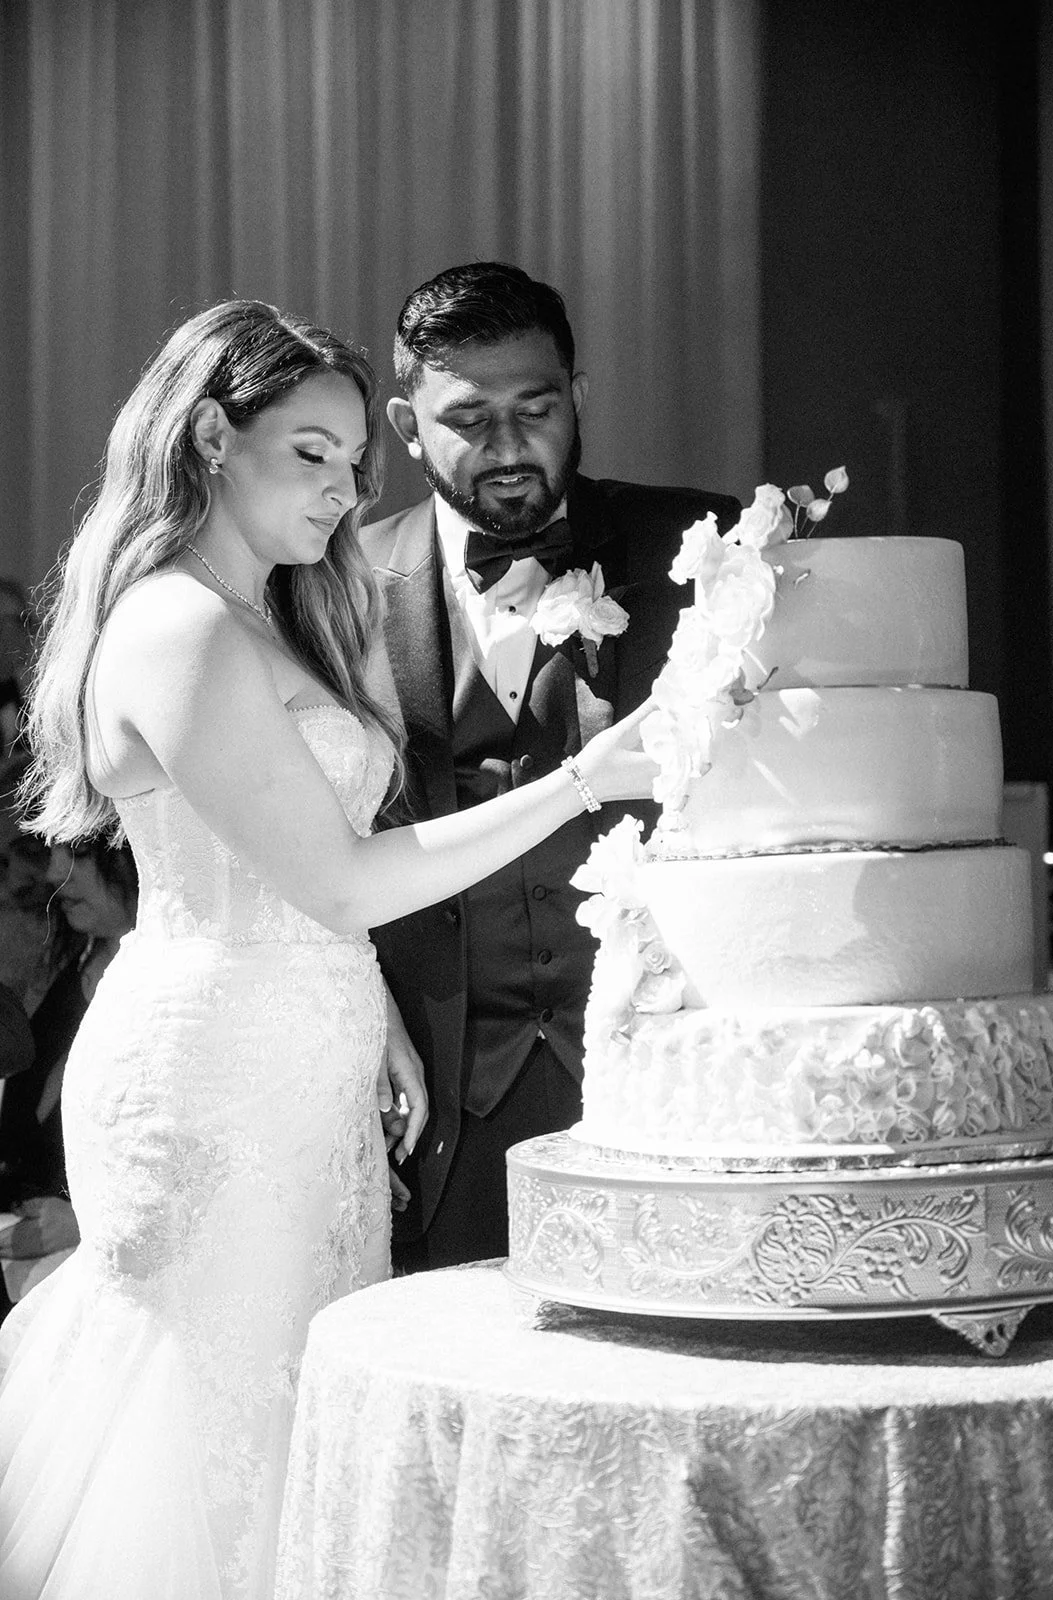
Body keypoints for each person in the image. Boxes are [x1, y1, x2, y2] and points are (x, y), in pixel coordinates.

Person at [0, 298, 655, 1600]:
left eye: (355, 458)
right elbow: (344, 882)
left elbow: (302, 881)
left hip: (304, 1055)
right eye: (309, 452)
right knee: (216, 1409)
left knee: (304, 1382)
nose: (345, 487)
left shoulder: (270, 616)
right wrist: (583, 781)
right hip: (214, 1082)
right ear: (205, 440)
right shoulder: (179, 625)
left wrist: (377, 1017)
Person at [361, 261, 741, 1270]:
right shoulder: (335, 585)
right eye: (468, 417)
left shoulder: (701, 547)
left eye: (535, 407)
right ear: (406, 426)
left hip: (677, 1086)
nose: (507, 444)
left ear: (577, 399)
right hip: (438, 1112)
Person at [0, 838, 138, 1320]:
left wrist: (88, 1223)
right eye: (54, 851)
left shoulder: (173, 1003)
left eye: (78, 853)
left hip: (94, 1285)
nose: (56, 870)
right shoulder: (61, 959)